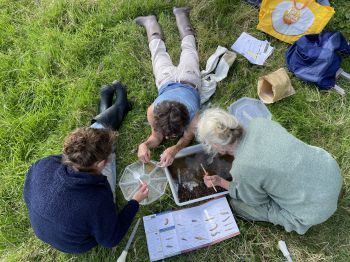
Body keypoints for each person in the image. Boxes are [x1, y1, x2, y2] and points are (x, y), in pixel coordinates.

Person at [23, 81, 149, 253]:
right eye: (105, 159)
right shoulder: (98, 198)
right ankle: (119, 107)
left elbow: (28, 194)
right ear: (99, 164)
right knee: (106, 146)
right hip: (75, 243)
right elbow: (111, 239)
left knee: (97, 142)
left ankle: (109, 107)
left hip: (44, 229)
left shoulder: (44, 164)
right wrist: (135, 201)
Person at [196, 108, 342, 234]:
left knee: (238, 205)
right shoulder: (260, 123)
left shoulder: (242, 169)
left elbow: (257, 200)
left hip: (314, 210)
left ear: (217, 146)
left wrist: (222, 183)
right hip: (330, 173)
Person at [135, 7, 201, 167]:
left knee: (185, 48)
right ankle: (150, 21)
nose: (166, 136)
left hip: (187, 79)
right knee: (160, 53)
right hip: (174, 80)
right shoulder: (152, 111)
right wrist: (143, 145)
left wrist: (175, 148)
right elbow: (156, 136)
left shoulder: (195, 117)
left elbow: (187, 137)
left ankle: (180, 14)